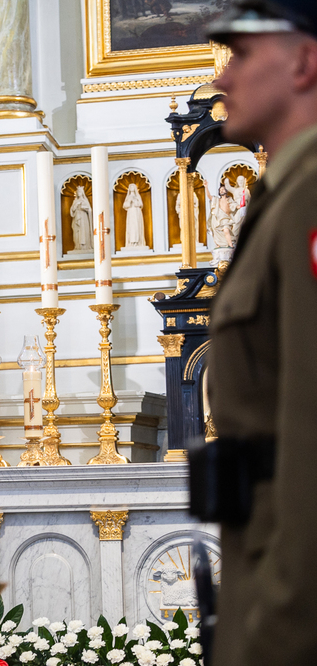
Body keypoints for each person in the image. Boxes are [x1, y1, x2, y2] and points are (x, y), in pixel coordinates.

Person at [199, 2, 317, 664]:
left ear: (303, 61)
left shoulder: (309, 198)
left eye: (243, 55)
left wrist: (279, 628)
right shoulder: (284, 196)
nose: (222, 77)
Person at [69, 186, 93, 251]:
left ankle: (85, 246)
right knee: (77, 232)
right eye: (78, 192)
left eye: (80, 191)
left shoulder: (85, 200)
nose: (79, 193)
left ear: (82, 193)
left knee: (84, 231)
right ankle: (77, 246)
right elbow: (72, 210)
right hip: (77, 217)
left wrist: (83, 208)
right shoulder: (75, 201)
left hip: (83, 217)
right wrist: (75, 206)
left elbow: (90, 210)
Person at [122, 183, 145, 247]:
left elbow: (140, 204)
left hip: (136, 212)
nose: (131, 188)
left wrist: (134, 201)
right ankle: (131, 242)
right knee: (131, 227)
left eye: (133, 187)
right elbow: (125, 205)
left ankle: (137, 242)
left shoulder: (137, 196)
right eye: (130, 187)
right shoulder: (128, 197)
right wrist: (129, 202)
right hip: (130, 213)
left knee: (136, 226)